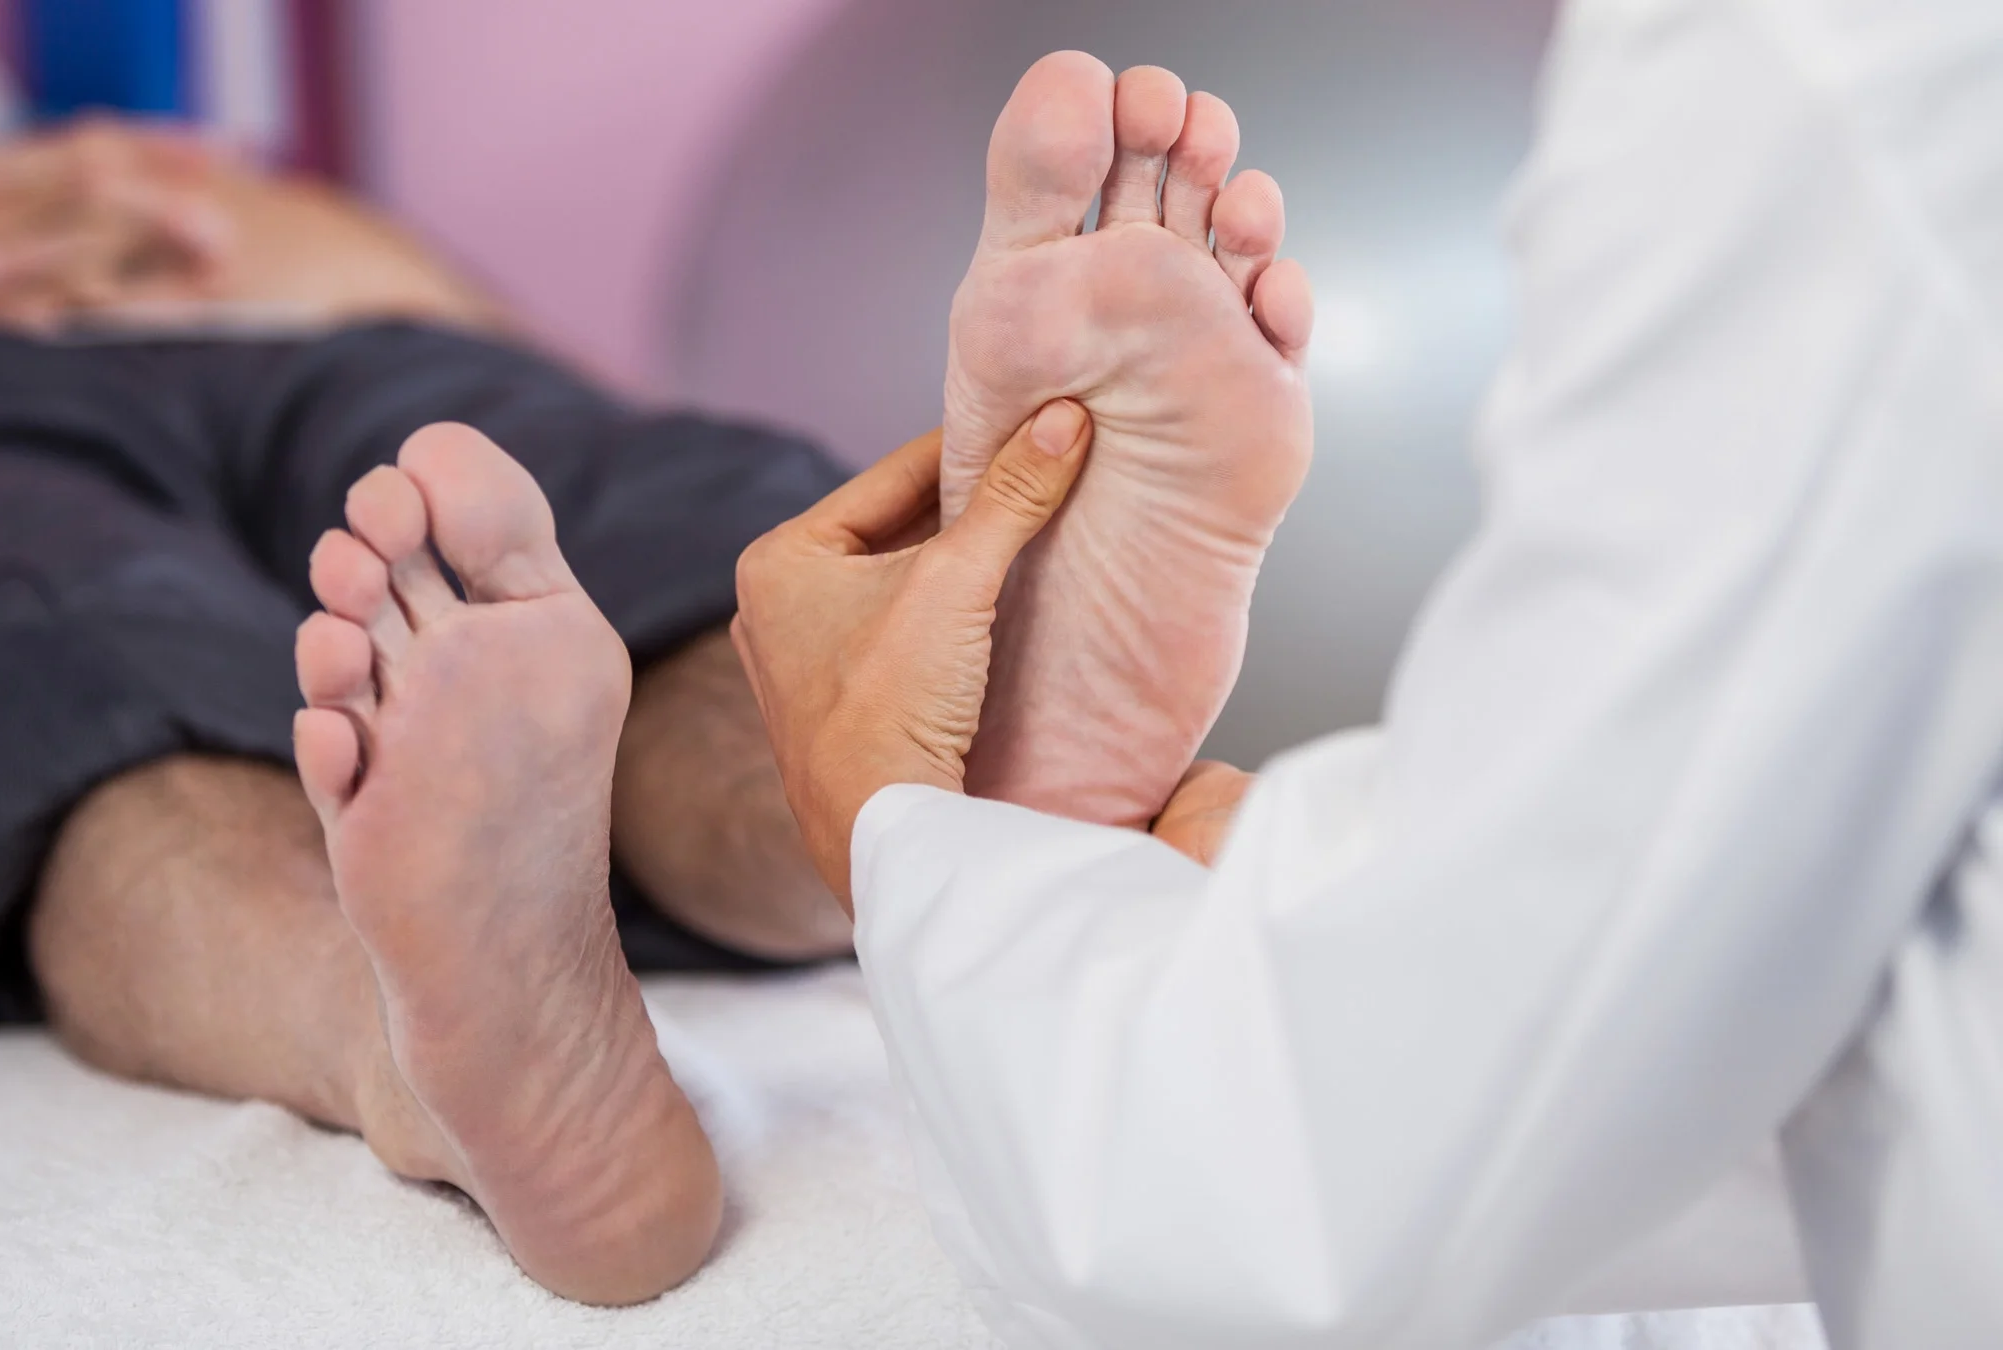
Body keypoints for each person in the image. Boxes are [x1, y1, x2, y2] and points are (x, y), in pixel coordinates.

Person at [732, 2, 2003, 1347]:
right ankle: (1136, 888)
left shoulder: (1839, 64)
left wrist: (904, 830)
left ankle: (1083, 875)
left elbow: (1339, 1188)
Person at [0, 108, 857, 1305]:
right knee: (61, 644)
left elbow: (596, 399)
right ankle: (432, 1040)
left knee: (647, 520)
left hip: (366, 345)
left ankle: (874, 814)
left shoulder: (272, 207)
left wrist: (366, 262)